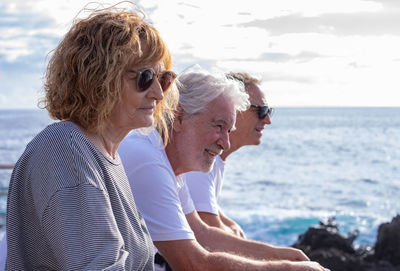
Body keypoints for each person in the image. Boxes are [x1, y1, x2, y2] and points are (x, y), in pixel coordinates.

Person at [4, 7, 177, 270]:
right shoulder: (67, 150)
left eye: (164, 79)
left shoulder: (104, 155)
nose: (158, 94)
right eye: (144, 78)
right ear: (99, 78)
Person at [118, 67, 326, 271]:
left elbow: (201, 232)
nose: (225, 143)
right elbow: (193, 264)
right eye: (218, 126)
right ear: (179, 116)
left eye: (228, 130)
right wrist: (287, 268)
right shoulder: (149, 159)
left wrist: (283, 255)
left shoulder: (165, 159)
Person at [184, 72, 273, 238]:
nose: (268, 120)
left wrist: (230, 224)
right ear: (234, 109)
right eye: (261, 111)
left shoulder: (214, 159)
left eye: (269, 111)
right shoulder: (200, 161)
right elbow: (210, 236)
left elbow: (204, 206)